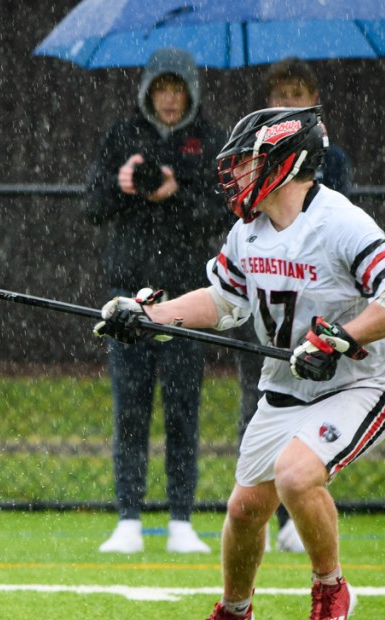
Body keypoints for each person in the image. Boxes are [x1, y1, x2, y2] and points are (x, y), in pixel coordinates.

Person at [94, 106, 385, 620]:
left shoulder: (339, 222)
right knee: (245, 509)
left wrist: (341, 338)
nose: (237, 173)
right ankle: (235, 613)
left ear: (286, 162)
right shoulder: (248, 231)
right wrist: (151, 316)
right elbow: (224, 301)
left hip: (361, 383)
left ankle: (331, 588)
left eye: (248, 161)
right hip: (289, 385)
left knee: (296, 476)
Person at [84, 47, 225, 554]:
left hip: (186, 297)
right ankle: (128, 519)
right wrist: (123, 185)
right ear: (148, 91)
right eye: (161, 89)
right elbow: (92, 206)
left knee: (184, 409)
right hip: (127, 295)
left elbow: (223, 213)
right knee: (130, 409)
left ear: (191, 93)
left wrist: (176, 192)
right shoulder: (122, 135)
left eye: (177, 89)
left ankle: (181, 519)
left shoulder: (209, 141)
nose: (169, 99)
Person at [236, 57, 355, 553]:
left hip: (322, 319)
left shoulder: (333, 184)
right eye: (279, 96)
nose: (287, 104)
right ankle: (262, 512)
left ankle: (299, 512)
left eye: (296, 95)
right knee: (264, 404)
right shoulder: (248, 215)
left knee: (306, 448)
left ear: (314, 101)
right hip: (272, 314)